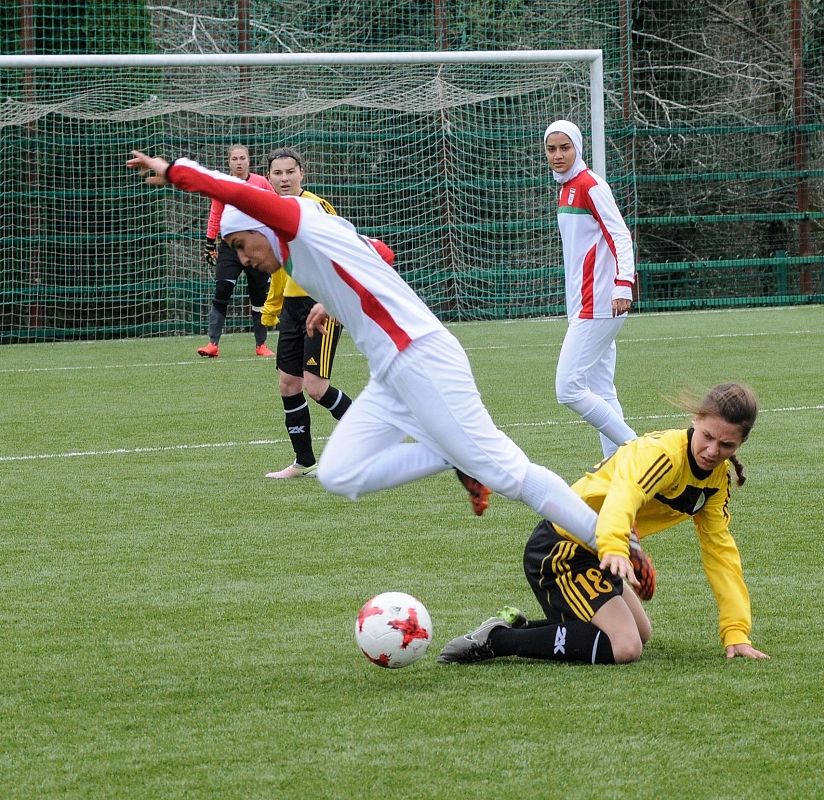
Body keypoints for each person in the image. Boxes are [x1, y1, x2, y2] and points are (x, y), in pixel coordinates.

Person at [127, 149, 602, 537]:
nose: (244, 259)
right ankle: (449, 453)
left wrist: (175, 172)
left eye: (240, 246)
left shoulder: (293, 219)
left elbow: (234, 190)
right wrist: (333, 299)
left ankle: (610, 539)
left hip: (420, 356)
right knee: (340, 474)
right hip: (390, 374)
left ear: (262, 224)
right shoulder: (309, 234)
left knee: (508, 474)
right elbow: (380, 252)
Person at [438, 382, 769, 666]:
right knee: (625, 646)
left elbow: (721, 553)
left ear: (740, 444)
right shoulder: (664, 454)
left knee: (641, 633)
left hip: (601, 552)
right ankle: (496, 640)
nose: (712, 450)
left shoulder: (717, 481)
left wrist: (736, 631)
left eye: (726, 445)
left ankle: (519, 628)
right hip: (561, 549)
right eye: (708, 436)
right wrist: (615, 547)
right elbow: (624, 495)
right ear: (695, 419)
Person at [257, 147, 354, 479]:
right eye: (278, 173)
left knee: (316, 387)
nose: (284, 178)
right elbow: (278, 265)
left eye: (290, 172)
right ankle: (304, 461)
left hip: (321, 304)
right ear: (269, 177)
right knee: (288, 384)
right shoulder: (271, 213)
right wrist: (272, 307)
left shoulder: (316, 207)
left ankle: (373, 435)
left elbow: (342, 251)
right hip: (293, 307)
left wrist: (334, 299)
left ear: (302, 173)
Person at [543, 120, 638, 458]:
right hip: (583, 303)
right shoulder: (565, 187)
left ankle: (639, 452)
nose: (558, 155)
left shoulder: (590, 185)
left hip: (600, 303)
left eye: (564, 148)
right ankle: (618, 467)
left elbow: (620, 235)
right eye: (551, 149)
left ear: (578, 148)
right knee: (602, 390)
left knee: (568, 388)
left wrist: (623, 284)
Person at [198, 144, 275, 359]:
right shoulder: (223, 184)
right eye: (235, 159)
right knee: (222, 289)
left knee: (259, 295)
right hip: (230, 247)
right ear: (229, 162)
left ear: (249, 160)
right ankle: (213, 344)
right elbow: (216, 213)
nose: (239, 162)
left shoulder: (261, 183)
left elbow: (274, 207)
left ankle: (261, 344)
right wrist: (210, 243)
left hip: (257, 247)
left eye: (242, 158)